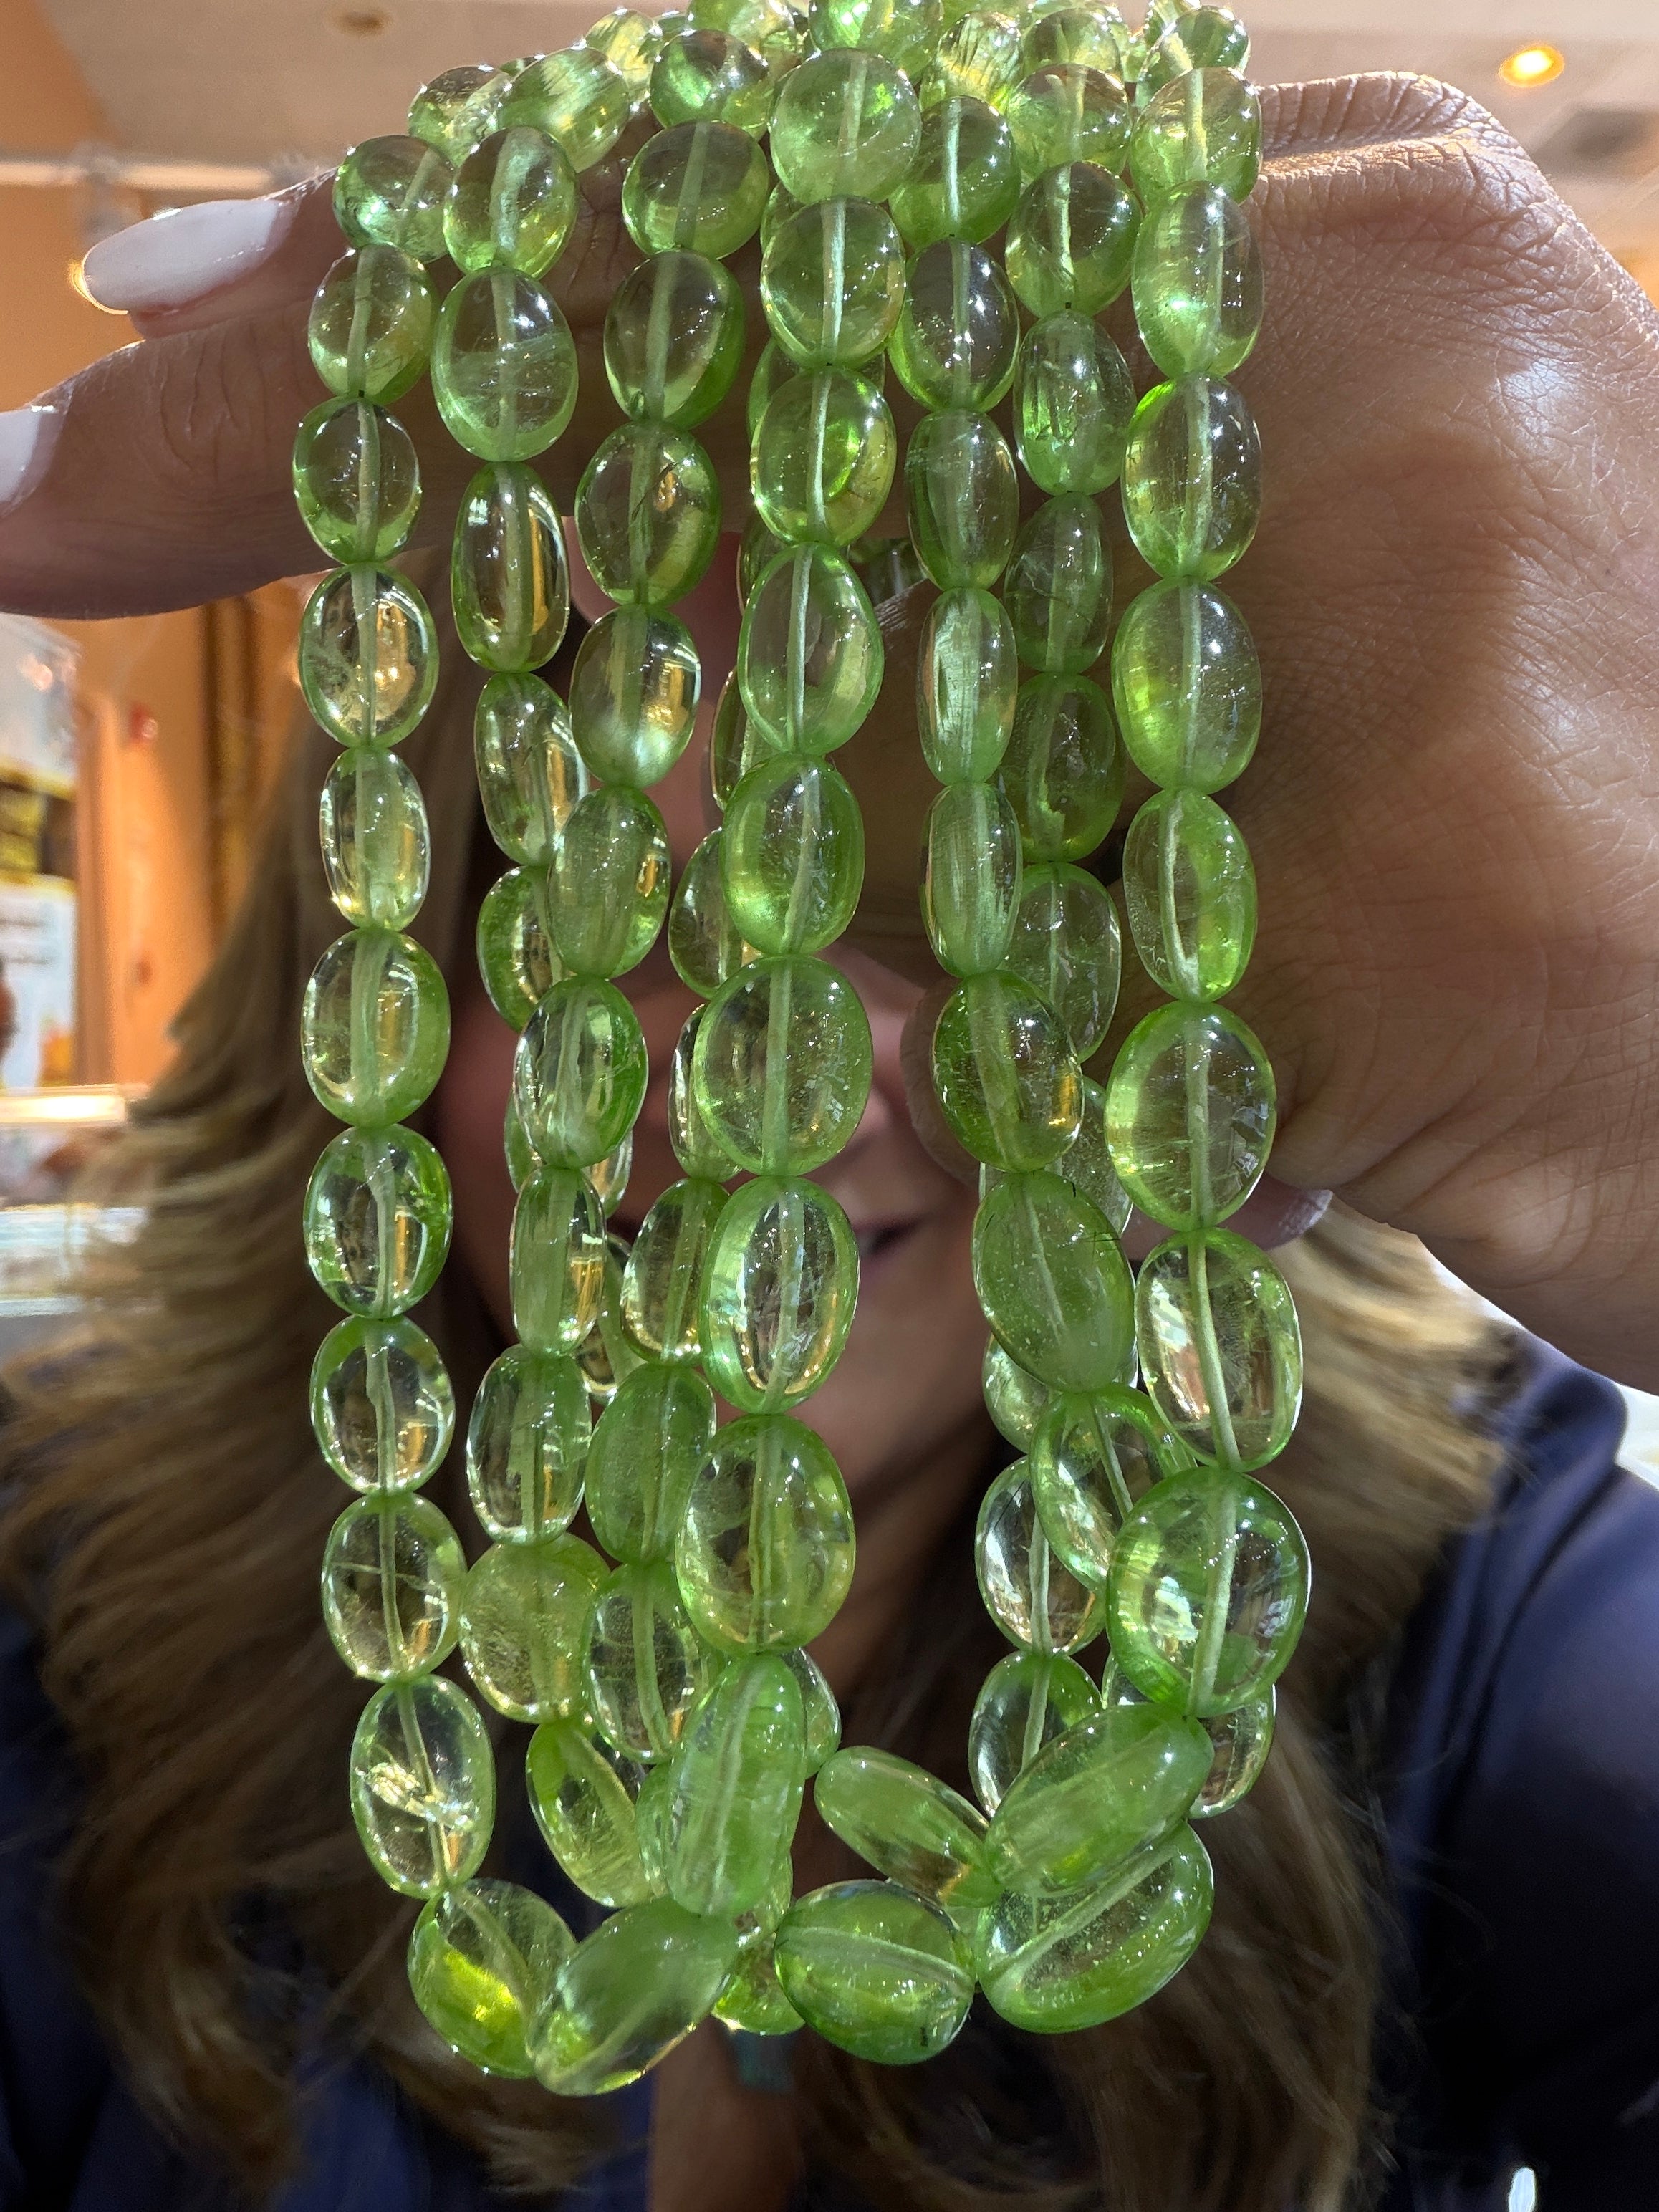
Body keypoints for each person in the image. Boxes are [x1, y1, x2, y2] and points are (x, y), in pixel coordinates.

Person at [0, 64, 1652, 2212]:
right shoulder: (50, 1634)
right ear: (363, 1018)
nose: (749, 1103)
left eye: (927, 929)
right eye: (592, 939)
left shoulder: (1483, 1602)